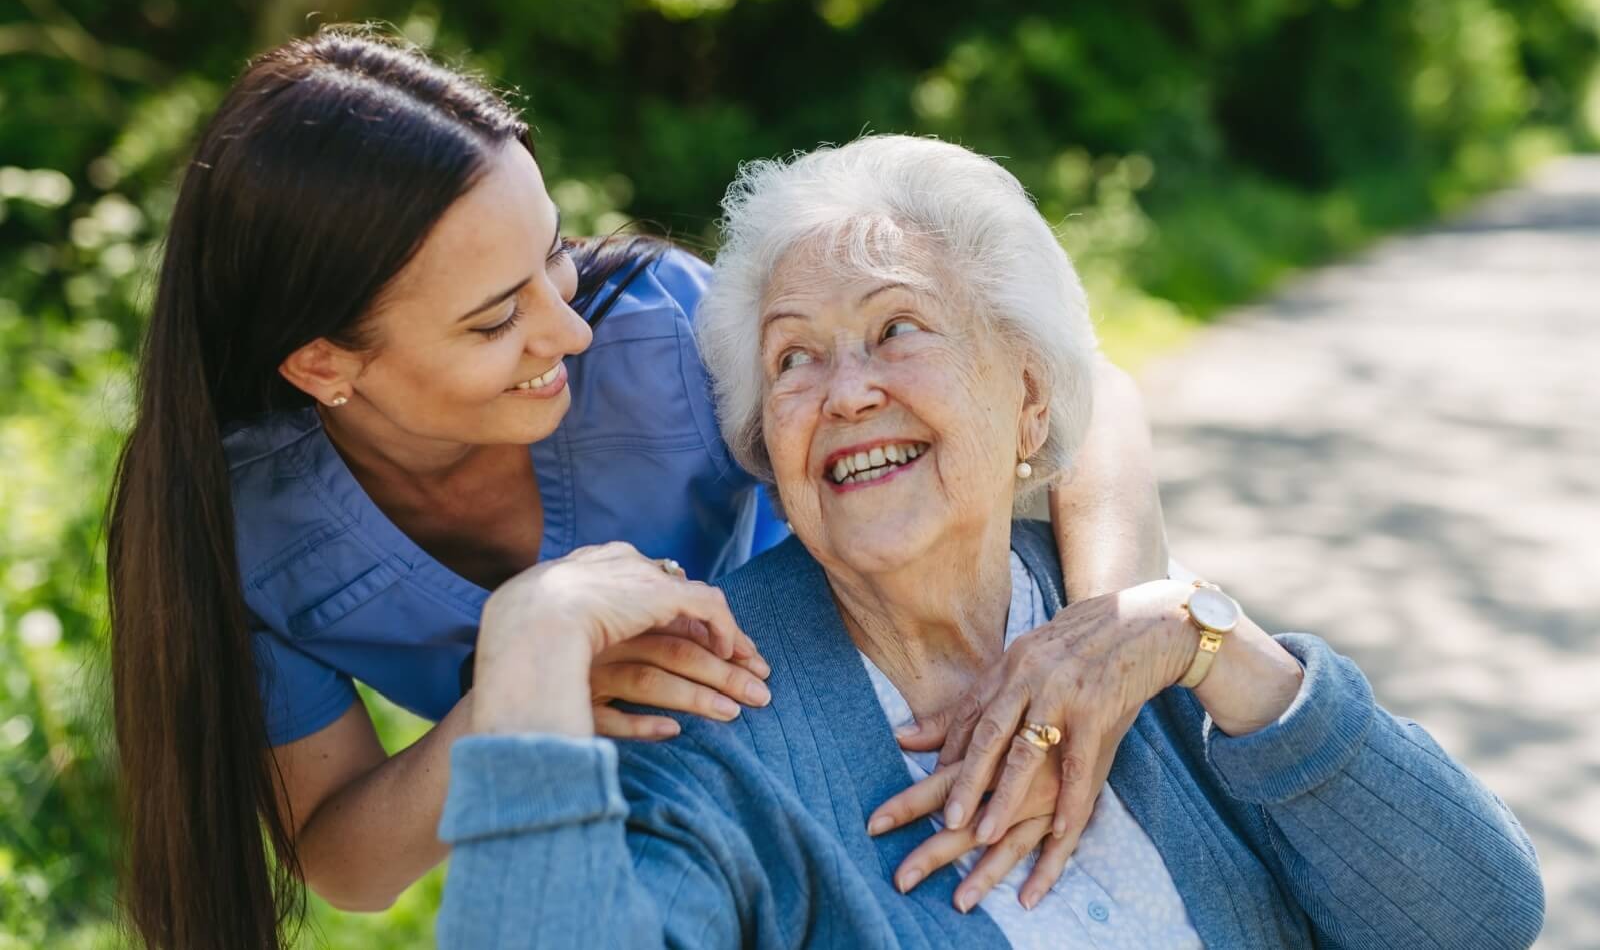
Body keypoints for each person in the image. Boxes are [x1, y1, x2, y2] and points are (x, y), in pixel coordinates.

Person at [104, 32, 1166, 950]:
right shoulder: (244, 527)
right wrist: (524, 690)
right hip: (614, 856)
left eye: (551, 257)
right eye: (491, 320)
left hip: (868, 768)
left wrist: (1097, 639)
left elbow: (1084, 391)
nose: (566, 331)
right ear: (326, 366)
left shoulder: (654, 333)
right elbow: (348, 863)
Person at [435, 134, 1545, 949]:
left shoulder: (1138, 635)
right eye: (793, 359)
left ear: (1027, 396)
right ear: (766, 448)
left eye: (897, 329)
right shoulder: (720, 723)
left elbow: (1476, 916)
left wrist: (1215, 641)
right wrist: (529, 644)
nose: (846, 390)